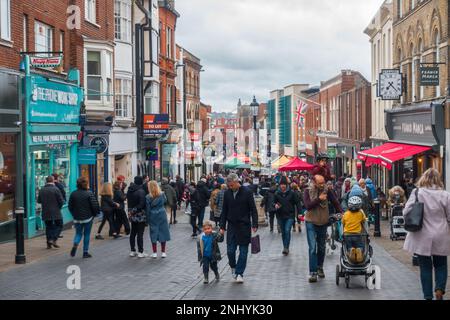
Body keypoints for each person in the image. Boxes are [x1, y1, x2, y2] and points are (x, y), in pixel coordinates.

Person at [402, 168, 450, 300]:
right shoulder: (445, 195)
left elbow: (406, 212)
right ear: (437, 179)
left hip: (422, 235)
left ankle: (428, 296)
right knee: (441, 264)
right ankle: (440, 289)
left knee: (425, 267)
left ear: (423, 178)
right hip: (441, 234)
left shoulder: (417, 192)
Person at [220, 173, 258, 283]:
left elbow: (253, 209)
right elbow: (224, 211)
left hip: (244, 226)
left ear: (237, 182)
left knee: (243, 251)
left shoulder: (247, 192)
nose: (230, 187)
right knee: (230, 251)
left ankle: (240, 273)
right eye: (229, 185)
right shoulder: (227, 194)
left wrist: (255, 224)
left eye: (231, 185)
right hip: (231, 225)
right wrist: (222, 226)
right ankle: (233, 266)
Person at [303, 175, 342, 283]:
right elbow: (307, 206)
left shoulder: (327, 190)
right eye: (320, 183)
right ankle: (313, 272)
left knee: (321, 247)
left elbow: (335, 202)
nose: (322, 184)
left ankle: (320, 267)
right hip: (310, 221)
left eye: (323, 182)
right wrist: (318, 199)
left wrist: (342, 213)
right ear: (314, 182)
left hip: (323, 222)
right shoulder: (307, 191)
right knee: (312, 247)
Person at [68, 176, 100, 258]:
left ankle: (76, 243)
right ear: (86, 184)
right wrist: (95, 213)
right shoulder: (89, 193)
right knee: (87, 234)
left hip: (77, 218)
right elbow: (95, 205)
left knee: (78, 233)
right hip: (87, 218)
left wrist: (74, 214)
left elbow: (70, 206)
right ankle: (85, 252)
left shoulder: (73, 193)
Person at [274, 177, 302, 255]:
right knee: (283, 232)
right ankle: (285, 246)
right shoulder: (277, 193)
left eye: (284, 184)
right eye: (281, 184)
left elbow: (297, 203)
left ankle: (286, 248)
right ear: (279, 185)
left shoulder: (292, 193)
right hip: (280, 215)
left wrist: (300, 213)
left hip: (290, 215)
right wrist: (275, 205)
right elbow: (273, 202)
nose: (283, 186)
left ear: (287, 185)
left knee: (287, 230)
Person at [37, 176, 64, 249]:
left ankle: (48, 243)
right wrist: (59, 207)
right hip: (56, 211)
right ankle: (53, 239)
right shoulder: (56, 189)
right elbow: (61, 201)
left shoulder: (42, 190)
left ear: (46, 181)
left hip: (46, 211)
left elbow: (39, 201)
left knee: (48, 227)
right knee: (60, 225)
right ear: (53, 181)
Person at [146, 181, 171, 258]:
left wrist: (147, 219)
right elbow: (165, 201)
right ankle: (163, 252)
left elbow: (147, 209)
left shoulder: (148, 197)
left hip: (153, 215)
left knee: (154, 232)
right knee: (163, 232)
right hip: (162, 213)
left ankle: (154, 252)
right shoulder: (162, 194)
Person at [342, 196, 367, 263]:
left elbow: (343, 222)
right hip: (357, 234)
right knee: (360, 245)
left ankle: (351, 250)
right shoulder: (360, 214)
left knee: (348, 246)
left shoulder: (346, 214)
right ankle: (359, 250)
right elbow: (364, 221)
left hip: (347, 234)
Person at [127, 176, 147, 258]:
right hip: (139, 214)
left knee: (133, 233)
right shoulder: (141, 191)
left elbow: (128, 202)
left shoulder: (129, 190)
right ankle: (140, 252)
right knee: (140, 233)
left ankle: (132, 250)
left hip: (132, 213)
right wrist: (135, 210)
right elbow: (142, 204)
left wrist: (131, 211)